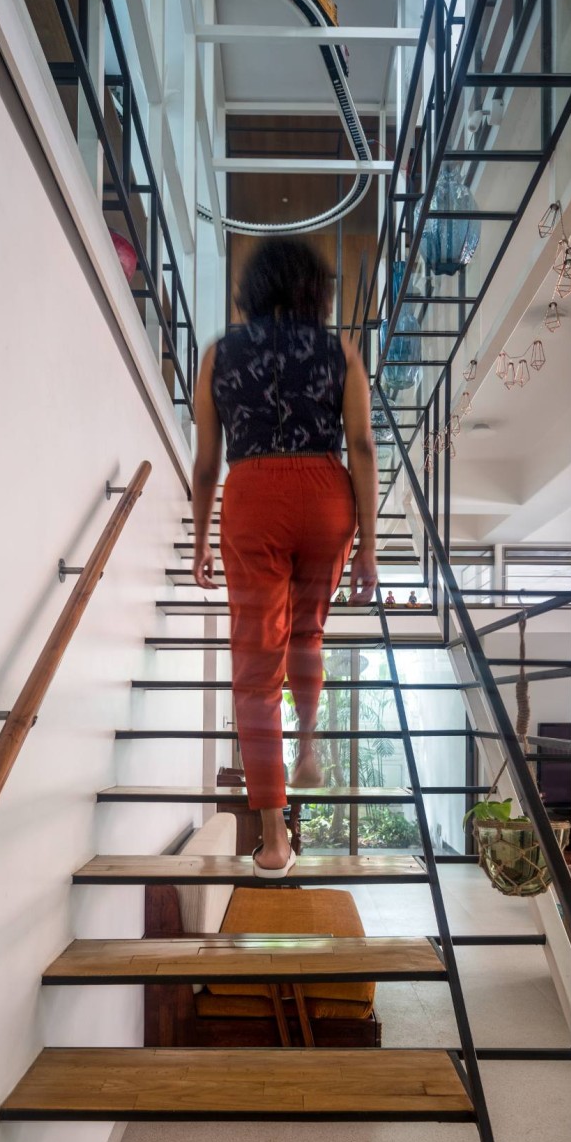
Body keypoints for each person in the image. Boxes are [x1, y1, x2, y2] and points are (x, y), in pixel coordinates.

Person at [191, 238, 379, 877]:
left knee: (254, 662)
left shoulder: (219, 353)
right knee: (307, 631)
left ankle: (273, 837)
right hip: (326, 495)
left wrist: (198, 540)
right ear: (314, 292)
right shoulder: (338, 352)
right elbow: (362, 447)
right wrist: (369, 551)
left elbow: (206, 463)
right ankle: (307, 748)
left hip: (251, 496)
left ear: (252, 289)